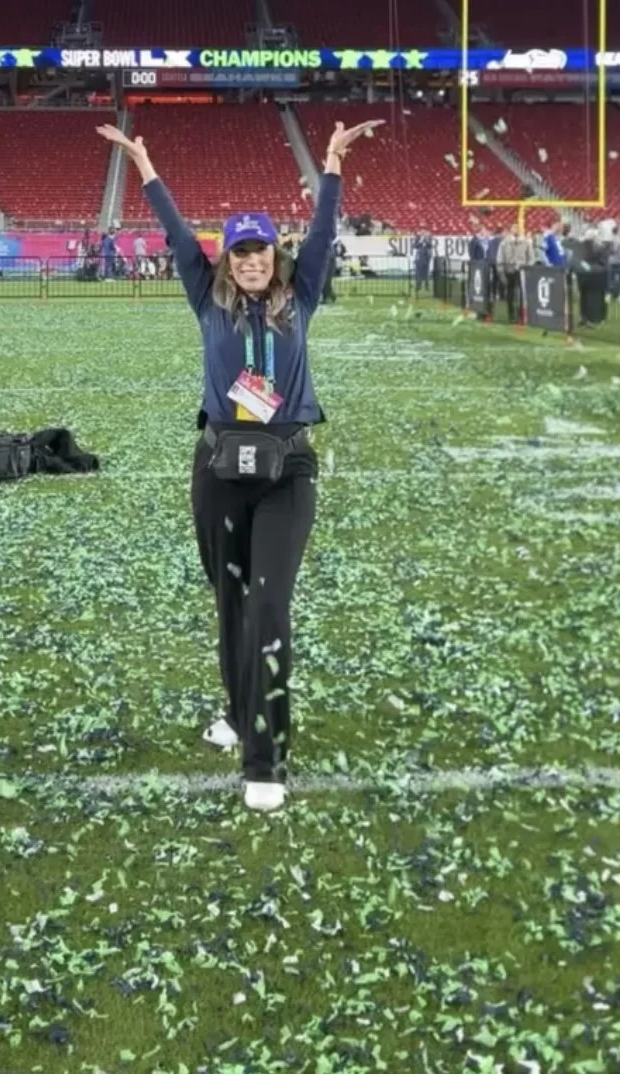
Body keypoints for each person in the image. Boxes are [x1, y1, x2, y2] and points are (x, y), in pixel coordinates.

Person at [97, 115, 383, 815]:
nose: (252, 260)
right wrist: (146, 168)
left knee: (268, 607)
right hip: (219, 470)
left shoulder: (301, 296)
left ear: (273, 257)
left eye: (261, 251)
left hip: (287, 470)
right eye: (240, 252)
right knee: (230, 608)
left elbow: (320, 235)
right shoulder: (206, 300)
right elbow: (172, 235)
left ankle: (267, 757)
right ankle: (234, 707)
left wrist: (333, 167)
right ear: (224, 260)